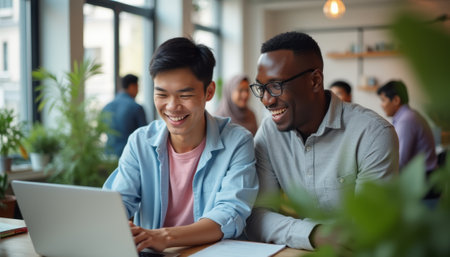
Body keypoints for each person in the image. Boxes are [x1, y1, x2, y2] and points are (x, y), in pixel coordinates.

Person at [245, 31, 399, 250]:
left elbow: (368, 229)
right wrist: (315, 234)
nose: (267, 100)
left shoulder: (373, 133)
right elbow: (257, 217)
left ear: (315, 80)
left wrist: (292, 231)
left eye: (276, 85)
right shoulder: (269, 133)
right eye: (261, 88)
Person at [103, 37, 258, 253]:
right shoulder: (140, 141)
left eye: (185, 95)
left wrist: (164, 236)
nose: (172, 106)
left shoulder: (238, 142)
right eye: (161, 94)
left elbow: (230, 213)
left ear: (209, 92)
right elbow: (119, 202)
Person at [377, 80, 437, 172]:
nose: (381, 105)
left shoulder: (406, 120)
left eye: (383, 100)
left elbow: (400, 161)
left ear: (396, 100)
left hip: (423, 179)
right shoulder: (408, 116)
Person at [102, 74, 147, 157]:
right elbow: (144, 136)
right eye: (138, 87)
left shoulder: (106, 107)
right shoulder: (136, 107)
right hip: (129, 157)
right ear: (132, 86)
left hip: (108, 155)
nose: (138, 90)